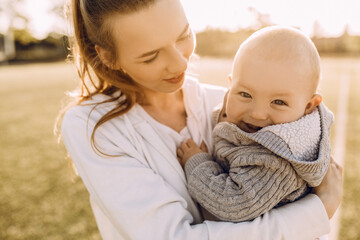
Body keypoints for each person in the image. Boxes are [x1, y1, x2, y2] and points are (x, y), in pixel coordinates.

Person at [60, 0, 342, 239]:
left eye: (183, 35)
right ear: (109, 57)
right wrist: (316, 212)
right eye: (151, 56)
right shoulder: (93, 126)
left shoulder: (228, 107)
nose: (181, 64)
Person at [177, 26, 335, 223]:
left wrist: (198, 163)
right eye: (245, 94)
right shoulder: (261, 128)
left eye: (279, 102)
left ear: (309, 106)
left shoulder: (279, 159)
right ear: (230, 85)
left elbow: (233, 203)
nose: (257, 114)